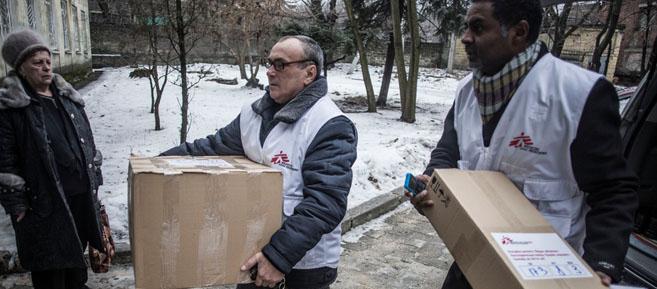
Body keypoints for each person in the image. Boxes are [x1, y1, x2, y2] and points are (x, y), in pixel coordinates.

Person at [406, 0, 639, 288]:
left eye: (478, 27)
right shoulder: (467, 91)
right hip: (472, 264)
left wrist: (601, 265)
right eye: (466, 27)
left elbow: (614, 190)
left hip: (545, 275)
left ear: (519, 32)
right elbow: (449, 150)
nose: (465, 37)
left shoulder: (579, 95)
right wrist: (432, 180)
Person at [161, 35, 357, 289]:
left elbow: (325, 202)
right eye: (269, 63)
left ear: (309, 73)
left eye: (280, 64)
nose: (269, 72)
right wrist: (156, 165)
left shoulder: (329, 124)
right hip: (253, 253)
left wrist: (278, 257)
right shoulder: (253, 114)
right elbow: (210, 148)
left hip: (303, 267)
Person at [0, 29, 105, 289]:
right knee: (50, 269)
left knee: (76, 262)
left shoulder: (66, 95)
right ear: (21, 68)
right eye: (37, 63)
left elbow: (87, 140)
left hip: (78, 196)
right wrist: (17, 205)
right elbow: (2, 157)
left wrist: (94, 181)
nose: (46, 67)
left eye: (48, 61)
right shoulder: (8, 103)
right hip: (43, 202)